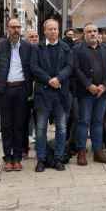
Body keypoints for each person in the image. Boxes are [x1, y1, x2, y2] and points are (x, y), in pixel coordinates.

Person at [0, 18, 35, 171]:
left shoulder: (27, 46)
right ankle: (7, 157)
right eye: (13, 27)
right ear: (7, 28)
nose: (16, 30)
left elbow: (30, 68)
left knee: (19, 124)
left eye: (18, 27)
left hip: (22, 89)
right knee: (6, 125)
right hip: (5, 89)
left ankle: (17, 157)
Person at [31, 19, 71, 172]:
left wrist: (58, 79)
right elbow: (34, 67)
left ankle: (58, 158)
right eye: (50, 29)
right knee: (41, 129)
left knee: (61, 128)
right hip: (43, 95)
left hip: (60, 95)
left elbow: (69, 66)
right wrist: (49, 80)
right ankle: (41, 159)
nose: (53, 31)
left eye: (55, 29)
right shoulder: (37, 48)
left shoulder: (66, 48)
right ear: (44, 31)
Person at [72, 23, 106, 165]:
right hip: (85, 92)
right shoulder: (77, 49)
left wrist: (104, 85)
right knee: (83, 122)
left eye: (95, 31)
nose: (92, 34)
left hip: (102, 93)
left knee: (98, 122)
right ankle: (81, 152)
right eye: (89, 31)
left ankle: (97, 151)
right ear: (84, 34)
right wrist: (88, 85)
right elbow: (76, 69)